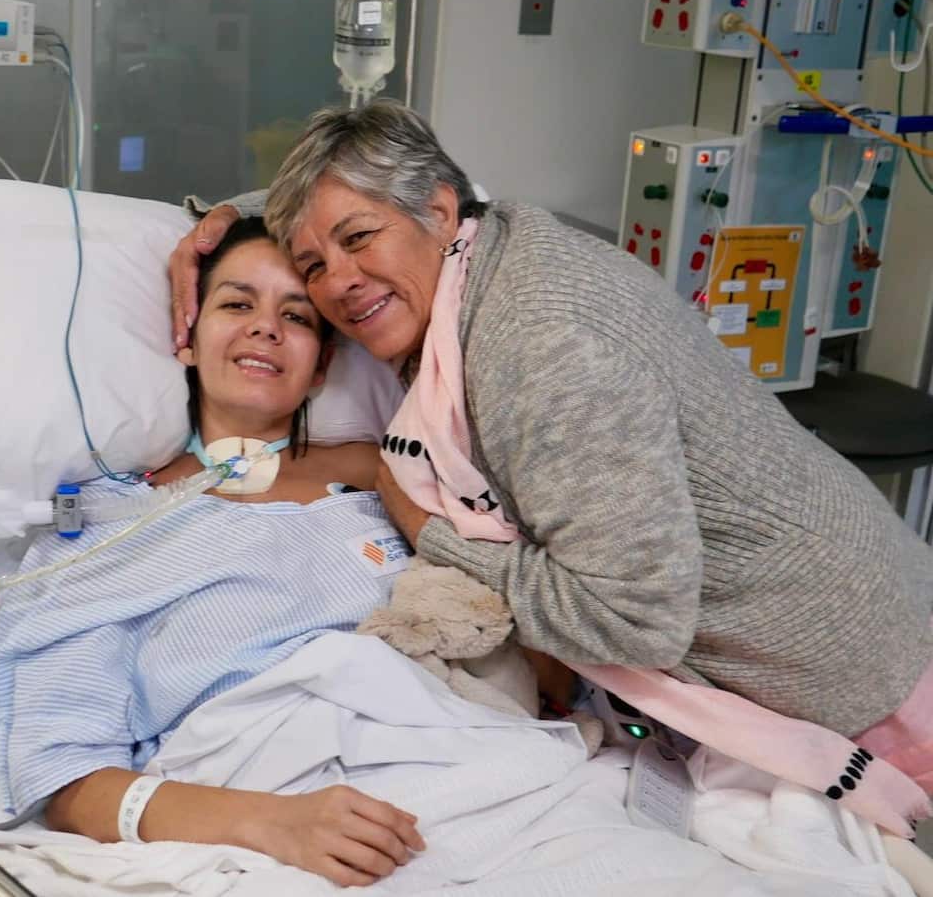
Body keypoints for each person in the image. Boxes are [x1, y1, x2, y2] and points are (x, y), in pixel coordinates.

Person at [169, 100, 933, 821]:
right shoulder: (490, 246)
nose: (337, 282)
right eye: (311, 267)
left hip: (856, 662)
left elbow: (633, 623)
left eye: (358, 241)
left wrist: (432, 533)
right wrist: (220, 222)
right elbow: (333, 204)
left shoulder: (539, 348)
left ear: (438, 210)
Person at [0, 216, 425, 888]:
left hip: (440, 756)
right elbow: (65, 778)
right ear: (186, 338)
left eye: (297, 317)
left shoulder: (388, 471)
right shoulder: (108, 524)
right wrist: (275, 822)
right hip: (272, 802)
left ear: (323, 364)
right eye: (236, 304)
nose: (265, 328)